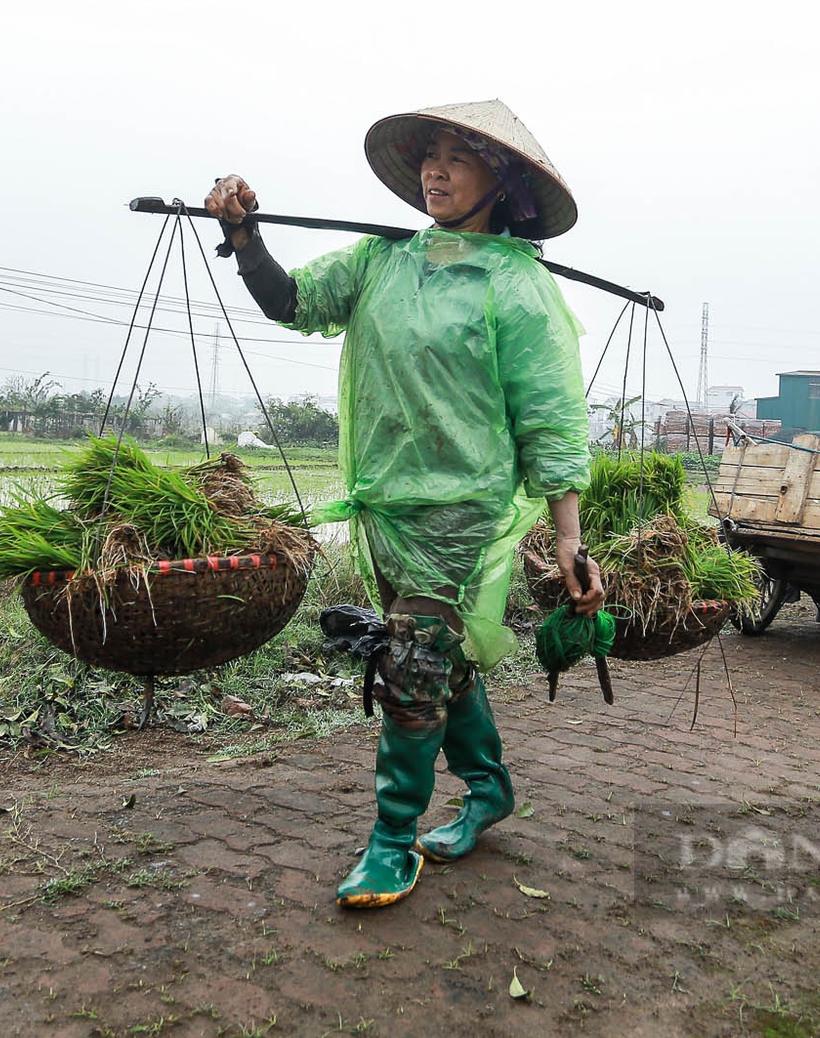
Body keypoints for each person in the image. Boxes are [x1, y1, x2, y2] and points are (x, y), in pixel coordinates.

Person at [205, 99, 604, 910]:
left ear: (503, 179)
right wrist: (245, 237)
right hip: (387, 506)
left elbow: (553, 420)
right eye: (430, 153)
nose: (436, 168)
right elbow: (292, 303)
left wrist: (568, 538)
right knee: (437, 664)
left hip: (467, 514)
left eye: (459, 155)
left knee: (412, 668)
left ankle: (392, 839)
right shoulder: (381, 261)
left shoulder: (516, 285)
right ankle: (489, 785)